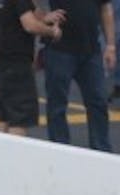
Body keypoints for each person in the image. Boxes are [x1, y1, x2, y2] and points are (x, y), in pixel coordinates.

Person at [43, 0, 115, 150]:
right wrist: (43, 17)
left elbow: (105, 8)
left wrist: (110, 45)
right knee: (57, 104)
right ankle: (59, 149)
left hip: (90, 50)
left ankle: (100, 150)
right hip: (60, 49)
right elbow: (28, 3)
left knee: (98, 101)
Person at [0, 0, 66, 136]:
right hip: (17, 60)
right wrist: (52, 31)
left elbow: (0, 16)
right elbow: (30, 25)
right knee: (20, 116)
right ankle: (14, 149)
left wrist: (44, 18)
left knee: (5, 114)